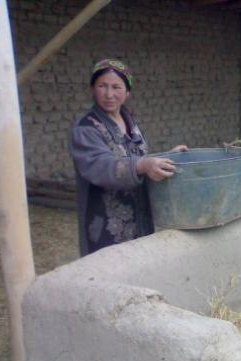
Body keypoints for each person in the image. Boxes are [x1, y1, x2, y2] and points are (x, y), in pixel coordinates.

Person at [69, 58, 188, 256]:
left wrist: (166, 158)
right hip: (106, 226)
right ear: (93, 88)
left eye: (116, 87)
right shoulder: (86, 127)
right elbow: (100, 165)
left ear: (127, 92)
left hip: (140, 220)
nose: (109, 94)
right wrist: (143, 165)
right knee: (110, 270)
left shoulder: (129, 121)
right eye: (102, 86)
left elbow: (137, 157)